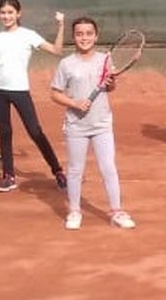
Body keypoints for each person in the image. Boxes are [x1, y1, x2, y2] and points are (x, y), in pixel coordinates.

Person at [0, 0, 67, 192]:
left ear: (18, 14)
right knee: (5, 133)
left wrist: (61, 26)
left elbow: (56, 50)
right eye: (3, 13)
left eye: (10, 12)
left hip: (19, 91)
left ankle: (57, 170)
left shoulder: (28, 35)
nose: (6, 16)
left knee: (35, 132)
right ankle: (8, 176)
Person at [49, 16, 140, 231]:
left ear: (96, 36)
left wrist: (112, 81)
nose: (84, 38)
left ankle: (117, 211)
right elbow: (55, 93)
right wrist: (74, 103)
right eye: (79, 34)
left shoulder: (105, 60)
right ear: (74, 37)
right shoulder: (66, 64)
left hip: (102, 124)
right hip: (76, 126)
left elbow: (110, 88)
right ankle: (74, 211)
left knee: (108, 168)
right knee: (75, 170)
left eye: (89, 34)